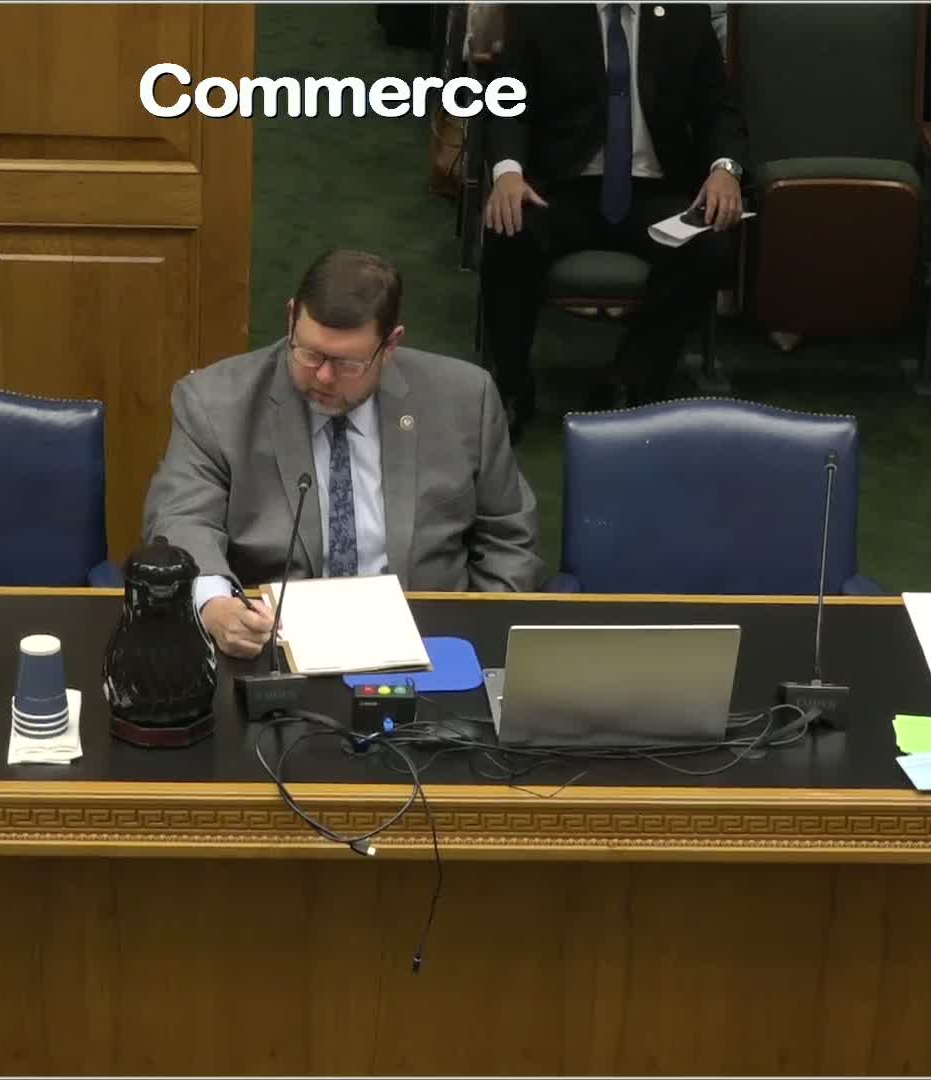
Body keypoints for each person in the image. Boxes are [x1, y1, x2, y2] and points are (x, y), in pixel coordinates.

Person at [142, 249, 546, 659]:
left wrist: (480, 638)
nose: (323, 376)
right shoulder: (215, 403)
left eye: (348, 363)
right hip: (273, 647)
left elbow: (509, 537)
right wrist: (214, 605)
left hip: (430, 644)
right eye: (310, 353)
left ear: (390, 345)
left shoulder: (464, 398)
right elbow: (182, 518)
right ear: (291, 318)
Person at [478, 2, 747, 444]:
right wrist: (508, 171)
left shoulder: (685, 14)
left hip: (654, 188)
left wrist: (725, 169)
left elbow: (719, 109)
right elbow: (508, 103)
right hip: (562, 186)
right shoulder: (543, 11)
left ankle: (630, 380)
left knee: (711, 242)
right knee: (507, 230)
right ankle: (511, 386)